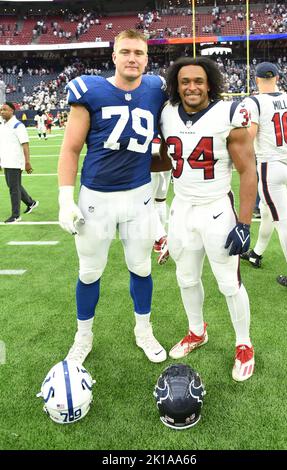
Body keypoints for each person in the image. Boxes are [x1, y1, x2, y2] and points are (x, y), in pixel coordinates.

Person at [57, 29, 167, 365]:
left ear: (147, 58)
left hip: (139, 197)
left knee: (141, 268)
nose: (133, 58)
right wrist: (64, 197)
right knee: (90, 271)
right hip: (97, 199)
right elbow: (71, 148)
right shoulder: (90, 89)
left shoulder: (155, 88)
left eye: (139, 52)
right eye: (126, 52)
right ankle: (83, 336)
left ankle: (143, 330)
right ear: (114, 56)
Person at [158, 57, 257, 381]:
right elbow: (168, 160)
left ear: (210, 83)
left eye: (198, 81)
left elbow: (247, 171)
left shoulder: (228, 114)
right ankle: (197, 331)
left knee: (229, 283)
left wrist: (243, 223)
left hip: (216, 208)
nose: (192, 87)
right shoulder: (167, 113)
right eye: (185, 81)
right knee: (185, 278)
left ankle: (244, 343)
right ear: (176, 84)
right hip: (181, 209)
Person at [241, 62, 287, 291]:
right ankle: (256, 253)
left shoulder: (254, 101)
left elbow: (250, 135)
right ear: (277, 77)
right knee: (266, 212)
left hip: (270, 168)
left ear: (256, 79)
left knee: (281, 222)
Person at [0, 102, 39, 223]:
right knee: (14, 186)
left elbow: (25, 144)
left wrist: (27, 162)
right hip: (7, 161)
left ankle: (16, 215)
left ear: (12, 111)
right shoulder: (3, 125)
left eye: (4, 110)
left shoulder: (18, 126)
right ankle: (30, 202)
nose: (2, 112)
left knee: (13, 188)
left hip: (15, 161)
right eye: (1, 110)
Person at [151, 135, 171, 265]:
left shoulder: (155, 115)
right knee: (160, 201)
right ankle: (158, 242)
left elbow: (154, 148)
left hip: (151, 166)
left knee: (146, 205)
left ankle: (162, 238)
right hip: (167, 163)